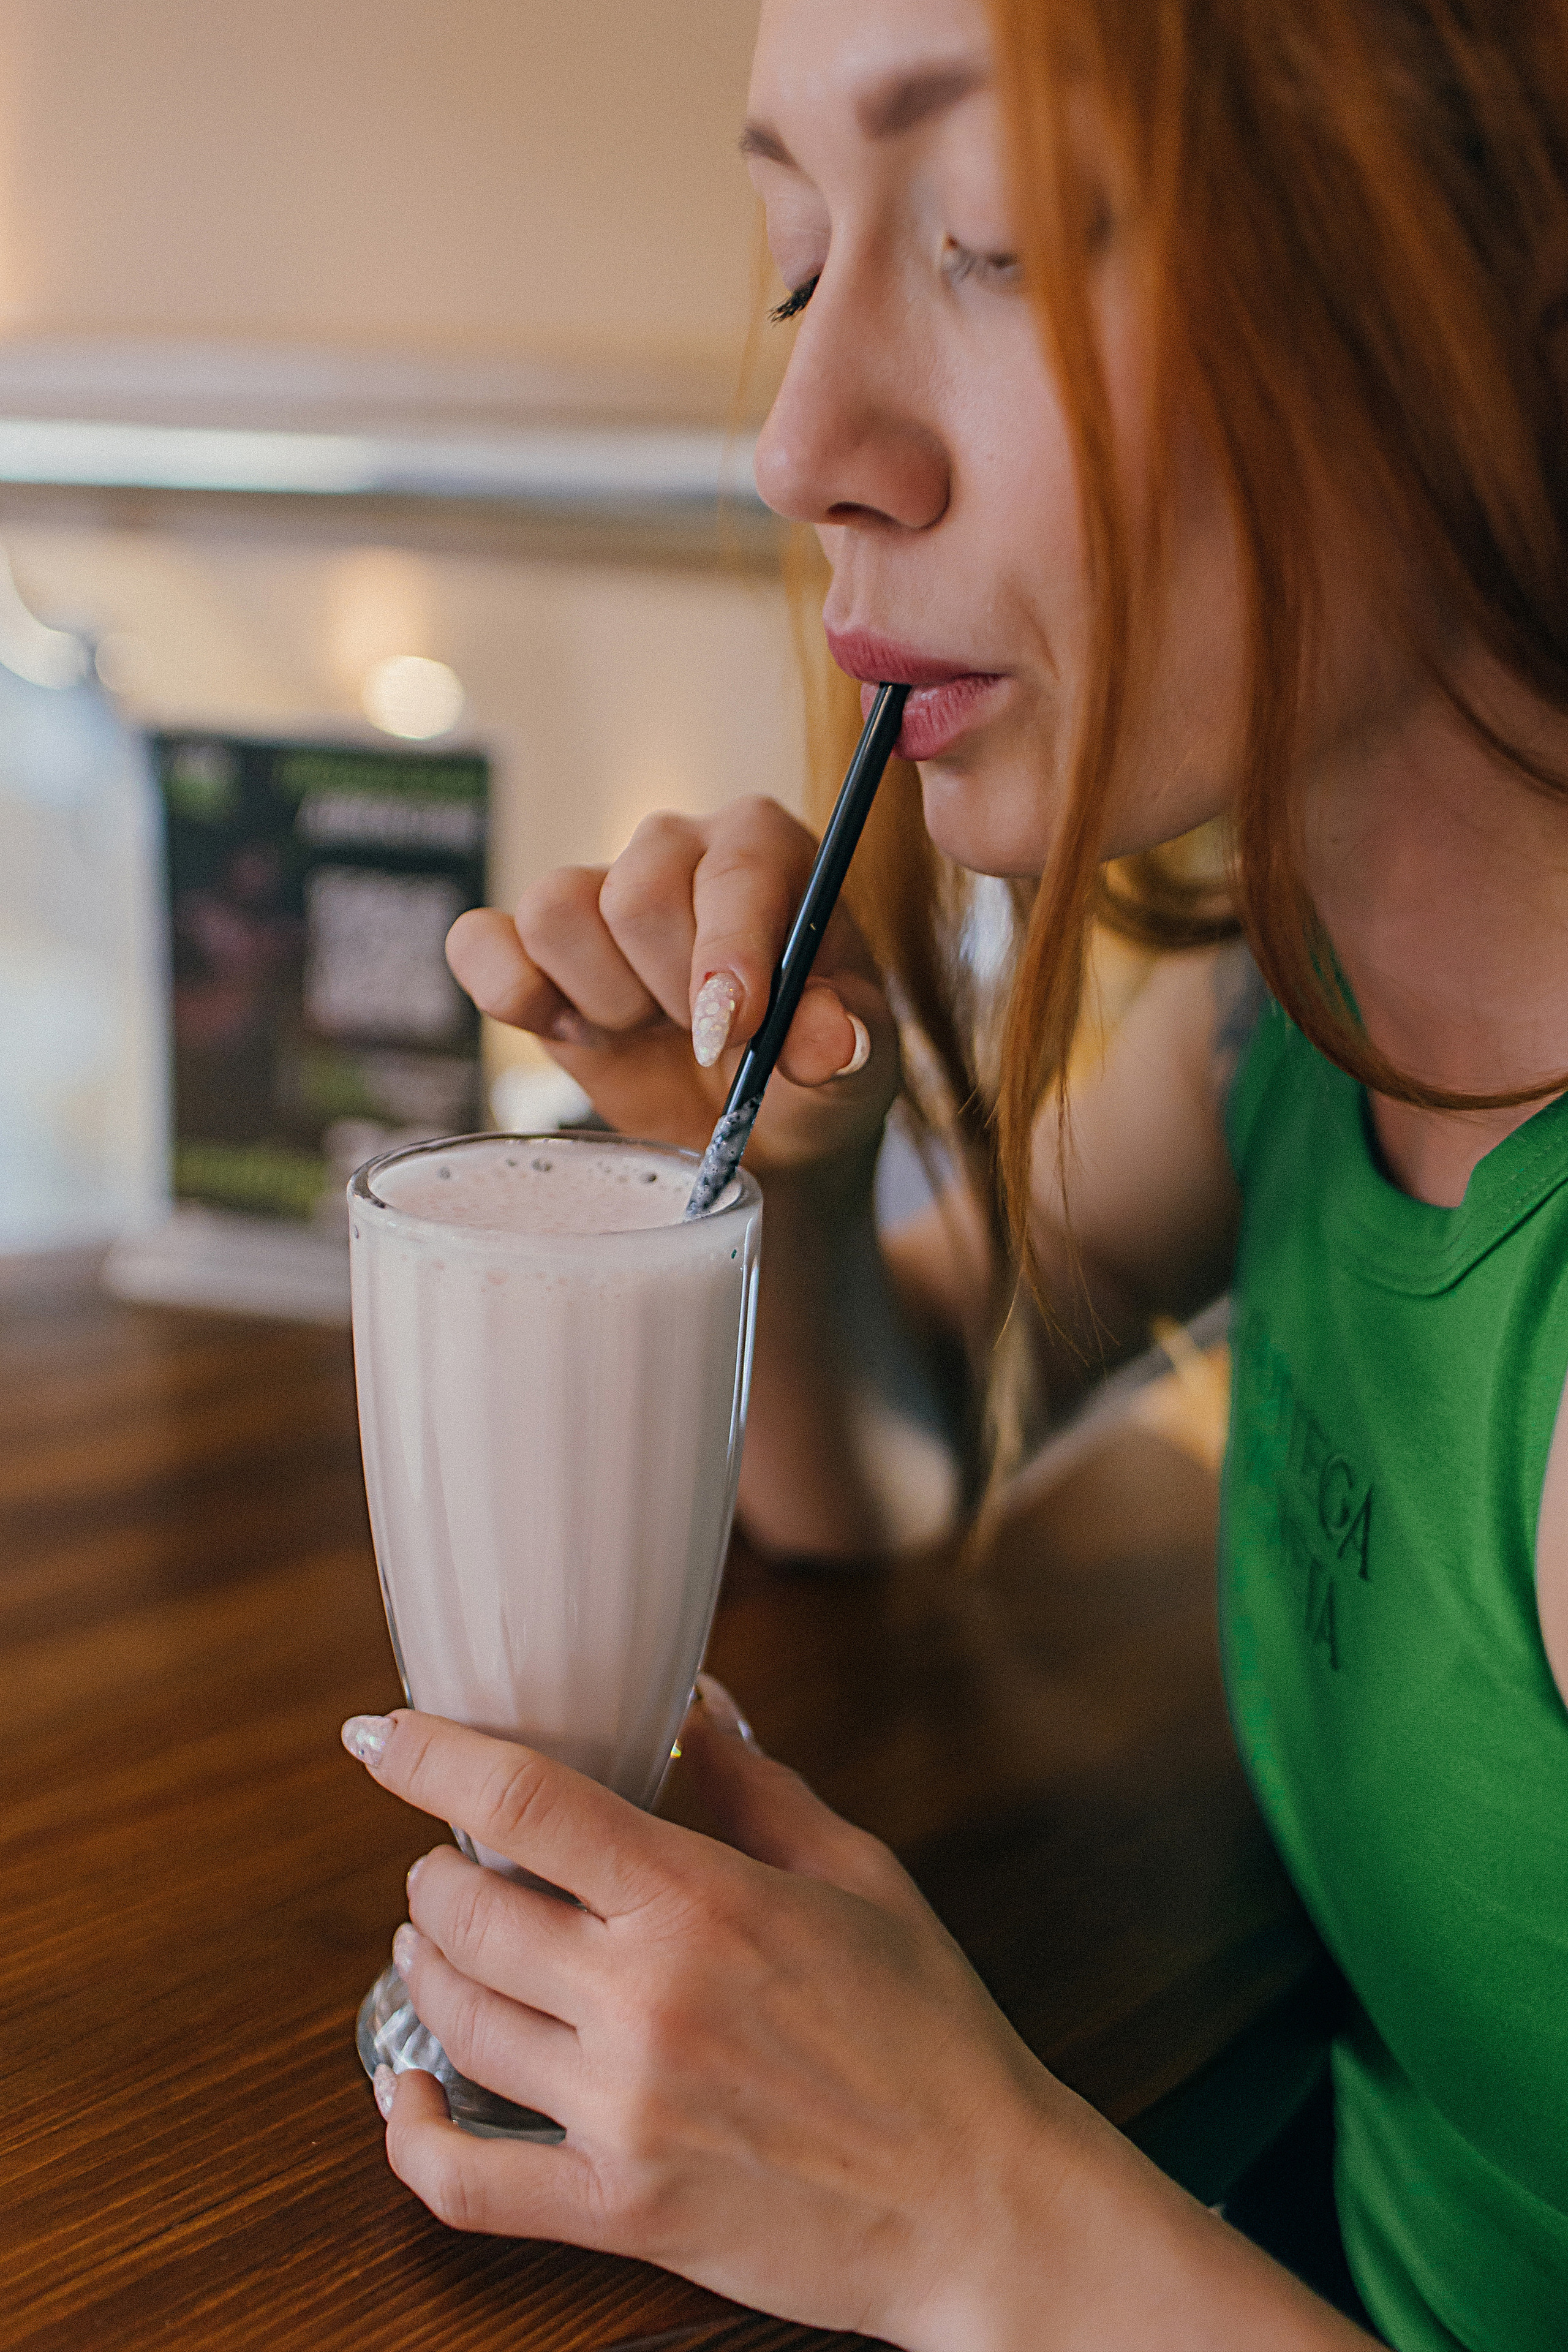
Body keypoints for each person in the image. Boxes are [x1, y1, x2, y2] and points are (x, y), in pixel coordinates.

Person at [338, 1, 1568, 2343]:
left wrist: (966, 2203)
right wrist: (777, 1171)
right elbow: (877, 1468)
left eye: (995, 237)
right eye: (803, 261)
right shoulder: (1298, 1034)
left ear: (1496, 265)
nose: (807, 440)